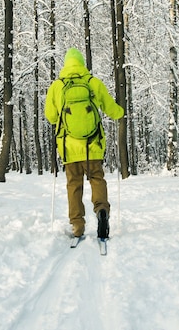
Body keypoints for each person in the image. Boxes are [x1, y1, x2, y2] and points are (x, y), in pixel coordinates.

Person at [44, 47, 124, 239]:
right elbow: (111, 108)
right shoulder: (92, 82)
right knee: (97, 179)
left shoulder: (57, 86)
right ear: (82, 64)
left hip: (69, 149)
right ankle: (101, 210)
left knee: (74, 185)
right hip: (92, 146)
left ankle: (77, 225)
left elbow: (51, 116)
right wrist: (120, 113)